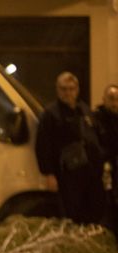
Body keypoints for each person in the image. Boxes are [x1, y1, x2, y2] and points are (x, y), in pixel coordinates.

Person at [36, 72, 107, 225]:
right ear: (57, 90)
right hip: (67, 175)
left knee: (94, 211)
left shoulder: (84, 110)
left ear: (77, 89)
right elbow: (43, 145)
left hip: (90, 173)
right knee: (72, 215)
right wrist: (49, 174)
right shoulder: (51, 114)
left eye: (71, 88)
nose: (68, 92)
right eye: (64, 89)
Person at [94, 84, 118, 230]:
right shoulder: (96, 119)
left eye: (117, 99)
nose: (115, 103)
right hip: (103, 170)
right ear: (104, 100)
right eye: (111, 99)